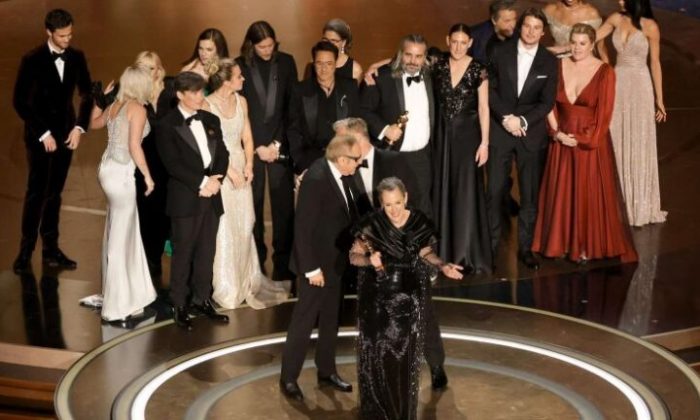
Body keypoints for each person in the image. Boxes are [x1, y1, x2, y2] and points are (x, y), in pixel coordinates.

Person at [334, 117, 450, 390]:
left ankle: (436, 364)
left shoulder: (395, 161)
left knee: (423, 313)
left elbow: (417, 203)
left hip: (407, 255)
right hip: (374, 261)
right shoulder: (344, 167)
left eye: (343, 140)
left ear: (359, 139)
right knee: (380, 321)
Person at [350, 177, 463, 420]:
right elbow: (353, 256)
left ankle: (403, 407)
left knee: (405, 353)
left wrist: (442, 266)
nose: (394, 210)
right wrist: (369, 260)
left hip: (411, 294)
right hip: (378, 297)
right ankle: (379, 409)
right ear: (381, 203)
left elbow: (425, 252)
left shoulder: (418, 222)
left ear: (406, 198)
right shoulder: (372, 224)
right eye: (388, 205)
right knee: (378, 352)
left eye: (398, 203)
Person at [532, 24, 638, 263]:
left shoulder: (605, 72)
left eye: (582, 43)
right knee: (561, 195)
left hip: (588, 144)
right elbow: (548, 102)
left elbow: (603, 117)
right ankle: (561, 243)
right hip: (561, 140)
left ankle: (584, 245)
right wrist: (557, 133)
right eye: (573, 42)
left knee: (585, 195)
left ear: (592, 45)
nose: (577, 48)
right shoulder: (558, 66)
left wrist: (580, 139)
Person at [279, 135, 363, 401]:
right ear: (342, 159)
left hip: (334, 262)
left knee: (330, 319)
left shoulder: (345, 175)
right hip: (315, 266)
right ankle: (288, 378)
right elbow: (303, 229)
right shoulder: (316, 179)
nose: (359, 163)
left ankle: (326, 370)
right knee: (303, 322)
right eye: (356, 159)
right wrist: (311, 269)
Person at [204, 58, 289, 309]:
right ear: (226, 81)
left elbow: (247, 137)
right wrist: (228, 171)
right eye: (239, 76)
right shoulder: (208, 106)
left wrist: (249, 165)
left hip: (242, 166)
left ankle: (246, 280)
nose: (243, 79)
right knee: (226, 227)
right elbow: (209, 146)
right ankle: (227, 285)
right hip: (222, 170)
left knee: (245, 223)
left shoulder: (242, 101)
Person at [12, 9, 93, 273]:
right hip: (40, 136)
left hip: (66, 134)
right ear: (49, 32)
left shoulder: (77, 57)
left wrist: (79, 127)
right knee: (36, 193)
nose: (67, 39)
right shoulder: (32, 60)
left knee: (55, 193)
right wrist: (43, 133)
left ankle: (51, 249)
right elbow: (20, 101)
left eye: (70, 34)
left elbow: (87, 94)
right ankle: (25, 252)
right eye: (62, 36)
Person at [155, 72, 230, 331]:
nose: (201, 96)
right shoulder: (166, 125)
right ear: (180, 95)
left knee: (207, 252)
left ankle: (202, 299)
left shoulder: (210, 119)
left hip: (212, 196)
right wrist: (202, 183)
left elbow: (223, 153)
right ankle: (179, 304)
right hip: (186, 199)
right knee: (183, 253)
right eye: (195, 92)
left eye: (202, 91)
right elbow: (173, 164)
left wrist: (217, 180)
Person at [487, 8, 558, 270]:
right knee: (494, 192)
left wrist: (523, 121)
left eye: (536, 28)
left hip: (531, 135)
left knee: (529, 196)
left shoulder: (549, 61)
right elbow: (489, 89)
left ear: (543, 32)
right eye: (527, 26)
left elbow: (547, 102)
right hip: (501, 130)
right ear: (520, 27)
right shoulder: (499, 51)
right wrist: (506, 118)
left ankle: (526, 248)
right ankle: (491, 246)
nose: (531, 32)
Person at [90, 65, 158, 321]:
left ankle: (127, 295)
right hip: (120, 175)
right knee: (121, 236)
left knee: (119, 230)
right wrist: (147, 176)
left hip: (106, 169)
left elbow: (93, 124)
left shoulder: (115, 105)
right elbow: (134, 146)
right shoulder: (137, 109)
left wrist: (99, 101)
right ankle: (117, 305)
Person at [597, 0, 667, 226]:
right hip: (618, 83)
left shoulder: (650, 26)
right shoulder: (615, 19)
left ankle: (639, 205)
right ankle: (616, 204)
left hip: (640, 86)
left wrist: (659, 100)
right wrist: (605, 60)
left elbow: (655, 63)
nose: (619, 1)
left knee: (638, 139)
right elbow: (593, 38)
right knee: (616, 137)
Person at [236, 21, 297, 281]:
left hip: (278, 149)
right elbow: (239, 111)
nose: (267, 50)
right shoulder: (239, 66)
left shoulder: (287, 62)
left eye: (271, 45)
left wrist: (276, 144)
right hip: (252, 149)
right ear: (251, 45)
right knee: (254, 208)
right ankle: (256, 264)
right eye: (262, 47)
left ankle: (283, 267)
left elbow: (291, 108)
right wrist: (257, 146)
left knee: (284, 210)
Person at [433, 24, 493, 274]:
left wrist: (484, 143)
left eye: (463, 42)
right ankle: (442, 254)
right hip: (442, 137)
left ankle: (465, 253)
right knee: (443, 190)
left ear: (470, 43)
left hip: (468, 139)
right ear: (448, 40)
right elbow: (404, 58)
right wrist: (374, 67)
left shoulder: (479, 69)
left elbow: (483, 108)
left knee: (466, 193)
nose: (458, 47)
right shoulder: (438, 65)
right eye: (454, 41)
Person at [360, 34, 435, 218]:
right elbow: (363, 110)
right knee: (391, 211)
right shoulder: (382, 77)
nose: (413, 61)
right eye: (408, 55)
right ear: (401, 54)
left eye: (418, 56)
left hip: (422, 157)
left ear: (425, 57)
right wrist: (385, 129)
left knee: (422, 209)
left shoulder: (432, 76)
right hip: (393, 156)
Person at [287, 41, 360, 175]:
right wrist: (300, 162)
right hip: (310, 160)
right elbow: (293, 129)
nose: (324, 69)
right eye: (319, 63)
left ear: (336, 63)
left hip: (344, 158)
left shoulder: (350, 87)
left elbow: (357, 124)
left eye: (329, 63)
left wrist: (352, 158)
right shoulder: (300, 90)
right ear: (313, 64)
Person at [133, 51, 173, 277]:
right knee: (147, 213)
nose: (149, 73)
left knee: (168, 213)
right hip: (145, 165)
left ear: (159, 69)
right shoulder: (135, 96)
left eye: (152, 67)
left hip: (170, 164)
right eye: (144, 68)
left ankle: (162, 254)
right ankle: (151, 260)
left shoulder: (171, 92)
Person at [543, 0, 607, 60]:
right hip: (556, 61)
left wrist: (607, 65)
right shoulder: (550, 10)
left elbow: (600, 46)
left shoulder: (591, 14)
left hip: (582, 62)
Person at [470, 0, 519, 64]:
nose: (512, 25)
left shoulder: (519, 35)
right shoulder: (474, 36)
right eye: (507, 21)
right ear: (494, 20)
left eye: (514, 19)